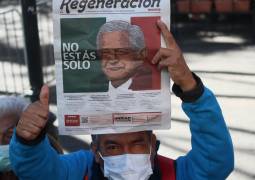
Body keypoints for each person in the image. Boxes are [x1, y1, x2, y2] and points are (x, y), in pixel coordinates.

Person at [10, 20, 234, 180]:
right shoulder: (79, 171)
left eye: (137, 143)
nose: (126, 157)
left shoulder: (175, 174)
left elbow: (215, 163)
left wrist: (190, 88)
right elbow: (36, 171)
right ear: (96, 153)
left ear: (152, 146)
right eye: (113, 146)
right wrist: (28, 141)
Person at [96, 20, 154, 92]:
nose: (113, 60)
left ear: (141, 54)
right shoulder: (93, 86)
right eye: (106, 52)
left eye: (121, 52)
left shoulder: (152, 84)